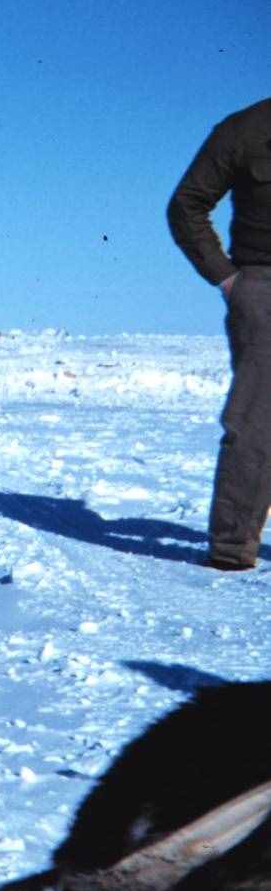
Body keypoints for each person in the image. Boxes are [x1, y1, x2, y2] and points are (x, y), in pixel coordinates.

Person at [168, 96, 271, 571]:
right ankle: (232, 551)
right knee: (256, 422)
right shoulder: (246, 129)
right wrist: (229, 279)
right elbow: (187, 203)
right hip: (264, 288)